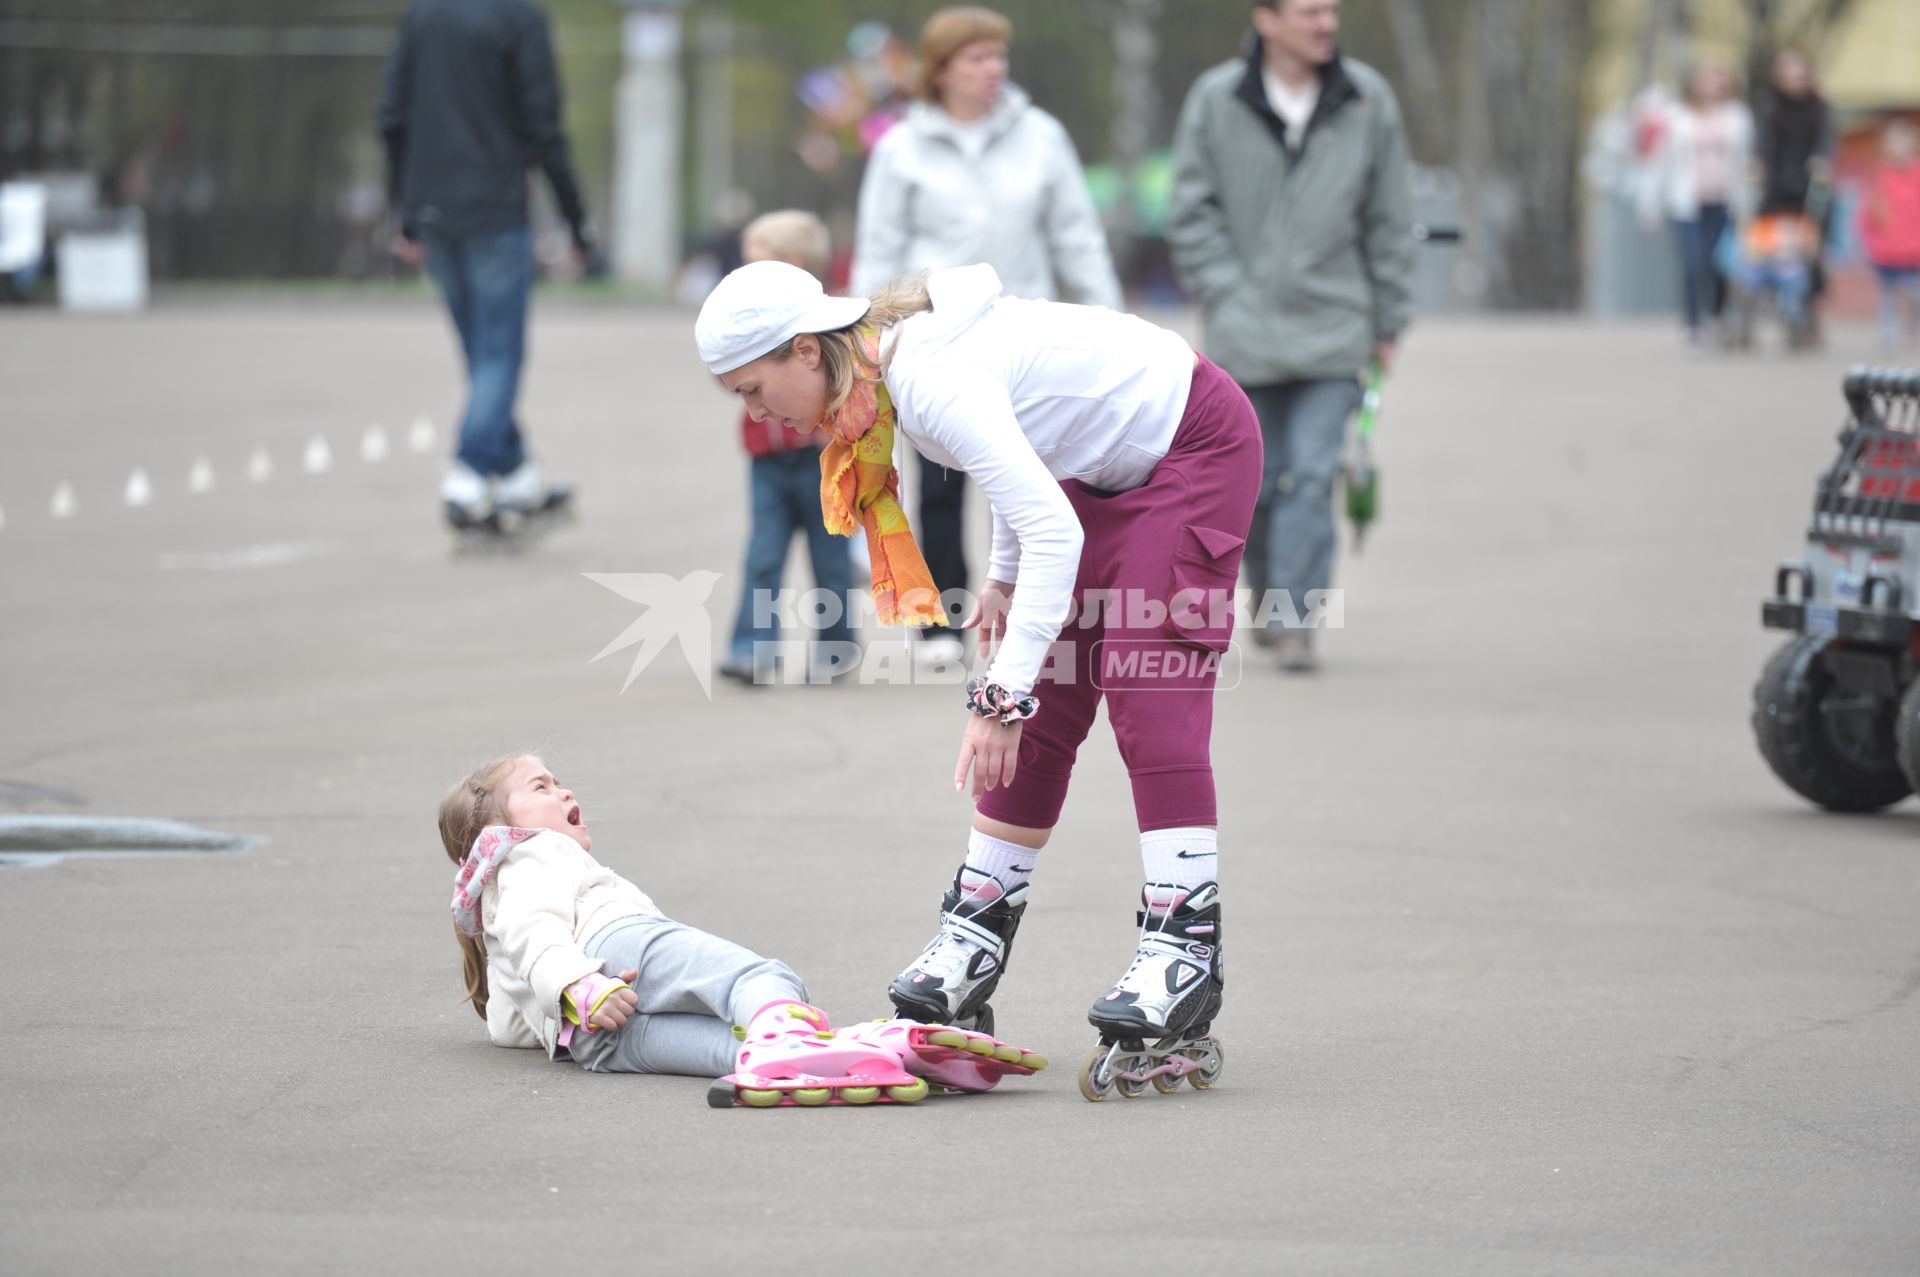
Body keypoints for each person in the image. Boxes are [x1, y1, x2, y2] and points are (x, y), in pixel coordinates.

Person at [694, 257, 1259, 1085]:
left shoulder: (926, 380)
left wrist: (998, 697)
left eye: (751, 388)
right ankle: (977, 927)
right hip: (1096, 466)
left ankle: (1183, 947)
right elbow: (1022, 452)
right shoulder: (891, 378)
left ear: (806, 353)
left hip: (1192, 446)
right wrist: (1000, 576)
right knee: (1052, 698)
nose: (760, 413)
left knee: (1146, 683)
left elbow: (1050, 525)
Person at [440, 754, 1043, 1106]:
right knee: (760, 979)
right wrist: (580, 983)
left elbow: (515, 1014)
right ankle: (801, 1038)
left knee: (733, 1047)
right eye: (540, 788)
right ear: (494, 831)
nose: (564, 789)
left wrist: (573, 1006)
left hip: (596, 1042)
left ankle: (841, 1057)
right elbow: (536, 937)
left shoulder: (497, 906)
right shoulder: (527, 855)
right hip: (613, 951)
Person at [851, 6, 1122, 668]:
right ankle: (942, 620)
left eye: (998, 57)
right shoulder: (901, 146)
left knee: (1031, 481)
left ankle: (1040, 612)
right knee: (940, 485)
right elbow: (879, 245)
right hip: (928, 338)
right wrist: (862, 336)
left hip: (1018, 336)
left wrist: (1108, 315)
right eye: (976, 59)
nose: (992, 70)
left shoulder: (1042, 137)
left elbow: (1075, 235)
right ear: (941, 71)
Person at [1167, 0, 1413, 673]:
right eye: (1309, 10)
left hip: (1337, 324)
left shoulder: (1368, 101)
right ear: (1267, 19)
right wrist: (1225, 289)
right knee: (1257, 478)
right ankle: (1267, 592)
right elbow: (1190, 209)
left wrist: (1389, 317)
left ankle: (1295, 617)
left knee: (1311, 474)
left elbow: (1391, 218)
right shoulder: (1216, 100)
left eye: (1331, 10)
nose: (1326, 22)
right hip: (1244, 329)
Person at [378, 0, 588, 533]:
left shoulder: (424, 14)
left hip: (431, 208)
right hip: (493, 209)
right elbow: (544, 123)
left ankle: (517, 475)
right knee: (499, 353)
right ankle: (468, 474)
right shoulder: (518, 16)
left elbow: (391, 114)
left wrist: (404, 210)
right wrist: (576, 220)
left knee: (481, 355)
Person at [719, 211, 859, 685]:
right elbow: (729, 379)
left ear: (793, 266)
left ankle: (836, 648)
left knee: (831, 559)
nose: (742, 278)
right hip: (768, 460)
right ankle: (752, 649)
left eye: (755, 266)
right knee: (763, 555)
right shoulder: (748, 324)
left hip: (825, 459)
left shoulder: (829, 319)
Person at [1639, 59, 1754, 349]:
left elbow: (1746, 164)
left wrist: (1748, 206)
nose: (1713, 86)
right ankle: (1693, 325)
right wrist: (1648, 206)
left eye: (1719, 79)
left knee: (1719, 266)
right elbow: (1659, 164)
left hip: (1725, 203)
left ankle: (1715, 316)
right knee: (1693, 264)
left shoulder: (1738, 118)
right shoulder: (1677, 118)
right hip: (1687, 204)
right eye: (1707, 78)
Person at [1755, 48, 1834, 340]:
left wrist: (1821, 162)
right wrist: (1760, 166)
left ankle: (1808, 309)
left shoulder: (1819, 108)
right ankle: (1784, 308)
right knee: (1776, 251)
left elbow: (1826, 141)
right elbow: (1762, 143)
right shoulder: (1770, 107)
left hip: (1810, 189)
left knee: (1809, 252)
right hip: (1777, 189)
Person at [1858, 120, 1920, 352]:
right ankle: (1888, 333)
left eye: (1902, 141)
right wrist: (1869, 242)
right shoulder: (1877, 175)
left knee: (1914, 294)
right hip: (1886, 248)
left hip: (1914, 249)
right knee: (1888, 295)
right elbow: (1868, 213)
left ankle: (1912, 327)